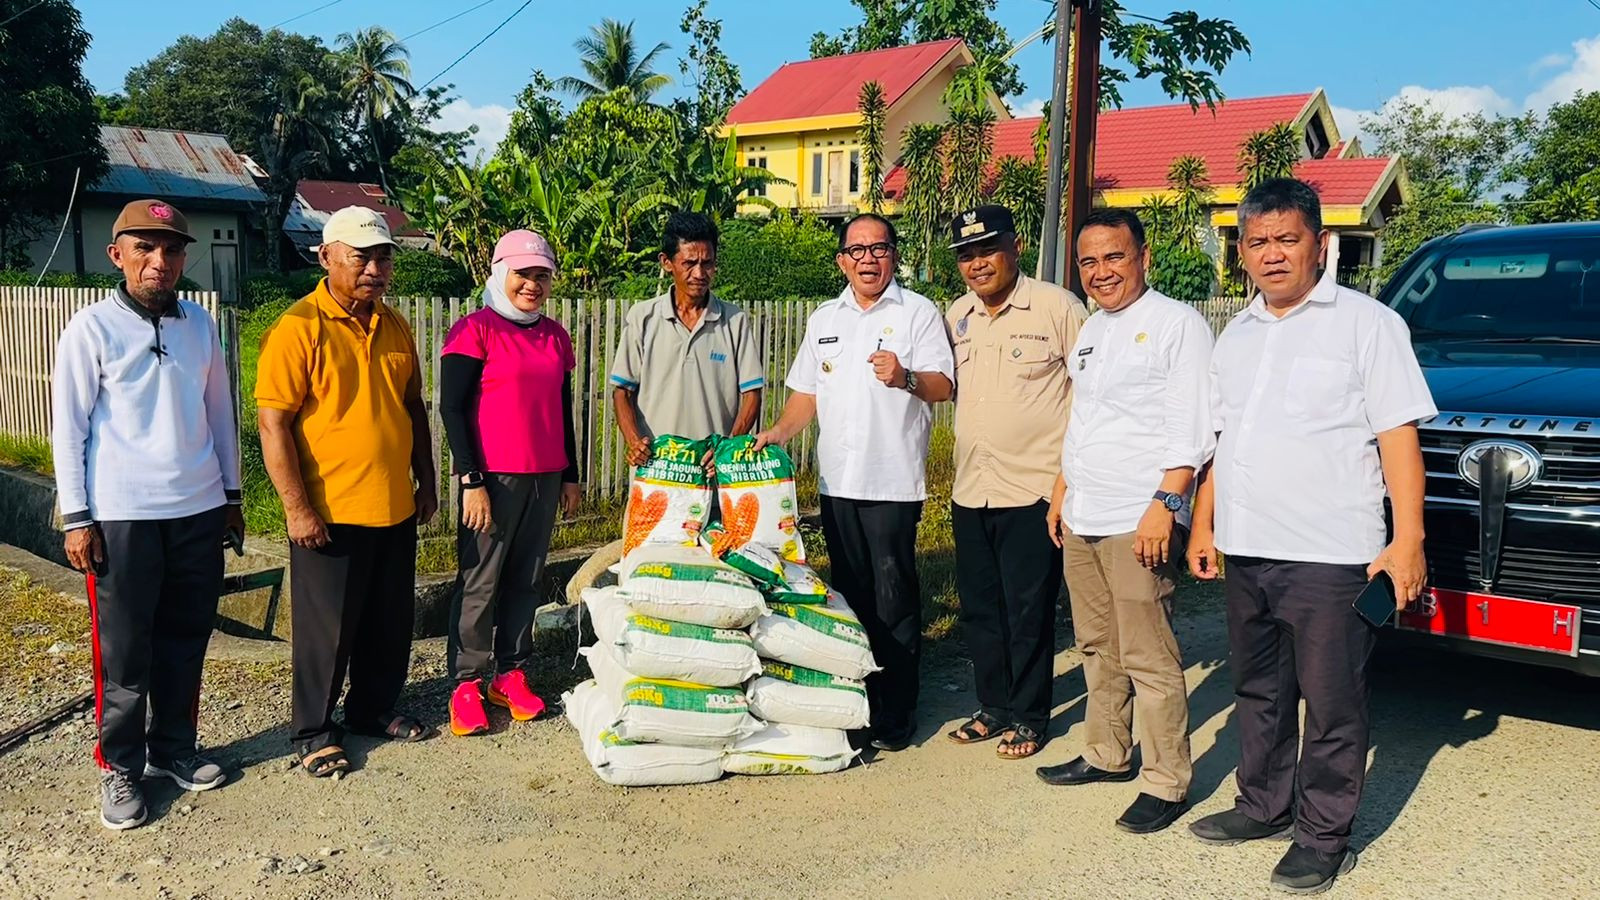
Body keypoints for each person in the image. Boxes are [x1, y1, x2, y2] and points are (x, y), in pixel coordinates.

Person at [1186, 179, 1434, 892]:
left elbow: (1397, 436)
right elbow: (1220, 440)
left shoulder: (1366, 324)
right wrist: (1205, 524)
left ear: (1319, 244)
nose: (1272, 254)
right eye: (1257, 241)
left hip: (1331, 554)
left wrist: (1408, 538)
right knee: (1258, 690)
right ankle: (1263, 804)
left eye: (1287, 239)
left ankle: (1324, 836)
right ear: (1241, 252)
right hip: (1248, 547)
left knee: (1331, 701)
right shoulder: (1237, 333)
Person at [51, 199, 244, 830]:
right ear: (118, 255)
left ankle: (174, 752)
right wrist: (77, 517)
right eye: (144, 249)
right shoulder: (92, 329)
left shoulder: (200, 326)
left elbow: (221, 414)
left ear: (186, 257)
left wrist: (232, 498)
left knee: (186, 640)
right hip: (122, 516)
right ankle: (121, 767)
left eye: (172, 250)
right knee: (126, 651)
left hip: (196, 508)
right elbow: (69, 428)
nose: (159, 262)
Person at [1034, 208, 1214, 836]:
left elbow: (1192, 428)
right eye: (1089, 261)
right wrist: (1061, 490)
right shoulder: (1091, 331)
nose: (1101, 271)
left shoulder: (1176, 325)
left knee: (1149, 653)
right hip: (1085, 510)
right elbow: (1084, 418)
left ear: (1143, 257)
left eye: (1114, 256)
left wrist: (1167, 504)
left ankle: (1167, 782)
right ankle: (1107, 752)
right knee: (1096, 644)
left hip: (1139, 516)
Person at [755, 214, 954, 751]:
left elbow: (944, 385)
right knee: (848, 598)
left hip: (892, 483)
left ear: (893, 255)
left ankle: (898, 710)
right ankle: (856, 701)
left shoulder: (919, 312)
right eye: (857, 249)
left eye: (879, 248)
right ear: (842, 259)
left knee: (894, 597)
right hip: (837, 482)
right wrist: (776, 432)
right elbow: (806, 394)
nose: (868, 259)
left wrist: (905, 377)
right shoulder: (825, 317)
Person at [256, 206, 439, 777]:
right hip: (329, 512)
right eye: (361, 255)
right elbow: (274, 424)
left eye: (383, 256)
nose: (375, 267)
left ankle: (371, 709)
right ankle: (312, 730)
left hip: (393, 503)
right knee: (325, 633)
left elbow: (412, 407)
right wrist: (296, 509)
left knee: (388, 621)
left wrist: (427, 481)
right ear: (327, 255)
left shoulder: (395, 324)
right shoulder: (299, 327)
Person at [942, 205, 1085, 761]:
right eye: (966, 256)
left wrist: (1067, 482)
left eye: (987, 250)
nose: (977, 264)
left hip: (1034, 490)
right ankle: (992, 706)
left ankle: (1028, 715)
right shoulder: (957, 316)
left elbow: (1087, 395)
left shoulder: (1056, 307)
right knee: (981, 606)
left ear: (1015, 246)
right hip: (970, 485)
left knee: (1029, 609)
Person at [439, 230, 581, 737]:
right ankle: (467, 681)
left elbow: (564, 409)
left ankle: (511, 672)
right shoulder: (474, 330)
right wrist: (471, 479)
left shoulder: (555, 336)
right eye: (524, 274)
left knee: (527, 576)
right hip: (492, 478)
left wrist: (571, 474)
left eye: (542, 276)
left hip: (544, 474)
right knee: (481, 579)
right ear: (501, 273)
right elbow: (452, 409)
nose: (533, 285)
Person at [610, 211, 765, 462]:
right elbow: (622, 392)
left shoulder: (734, 321)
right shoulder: (643, 318)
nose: (699, 273)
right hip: (656, 472)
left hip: (713, 474)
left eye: (707, 263)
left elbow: (752, 394)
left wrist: (727, 450)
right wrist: (634, 442)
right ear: (666, 262)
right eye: (689, 263)